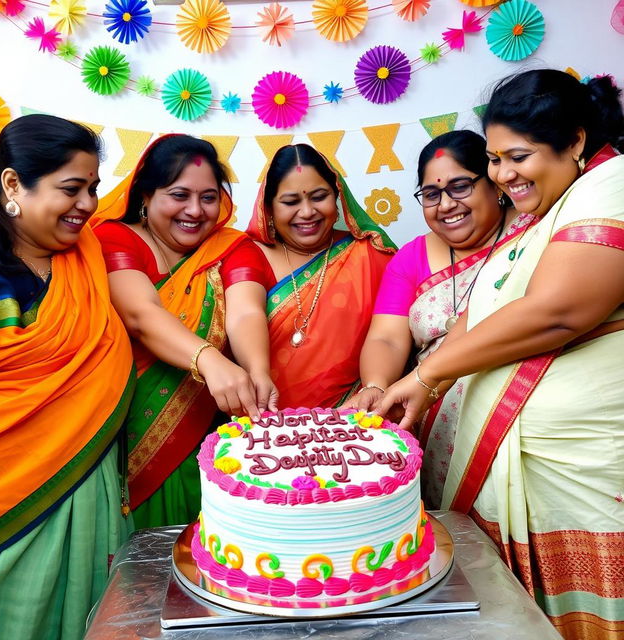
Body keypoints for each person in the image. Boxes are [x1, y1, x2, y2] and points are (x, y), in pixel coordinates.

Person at [376, 69, 624, 640]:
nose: (503, 175)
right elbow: (484, 312)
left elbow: (559, 311)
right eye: (494, 159)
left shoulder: (609, 186)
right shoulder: (546, 213)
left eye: (518, 156)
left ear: (577, 142)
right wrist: (419, 380)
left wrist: (430, 372)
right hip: (532, 463)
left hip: (582, 464)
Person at [0, 115, 134, 640]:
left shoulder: (83, 258)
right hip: (3, 493)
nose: (89, 205)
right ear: (12, 185)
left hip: (88, 480)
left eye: (93, 188)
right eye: (71, 189)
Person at [93, 135, 277, 529]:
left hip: (204, 434)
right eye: (179, 195)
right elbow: (141, 313)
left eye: (209, 197)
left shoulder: (232, 247)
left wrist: (258, 370)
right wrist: (208, 359)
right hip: (124, 433)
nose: (195, 211)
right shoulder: (114, 238)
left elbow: (245, 313)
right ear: (146, 195)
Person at [349, 130, 532, 508]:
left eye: (460, 186)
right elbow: (387, 337)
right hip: (436, 426)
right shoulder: (411, 257)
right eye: (431, 195)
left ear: (494, 182)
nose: (446, 204)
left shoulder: (532, 232)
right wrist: (376, 385)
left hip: (522, 420)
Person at [246, 143, 396, 408]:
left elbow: (395, 336)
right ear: (269, 207)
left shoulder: (372, 254)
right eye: (291, 202)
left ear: (337, 197)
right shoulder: (248, 255)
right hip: (262, 426)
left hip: (355, 424)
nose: (307, 212)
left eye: (318, 197)